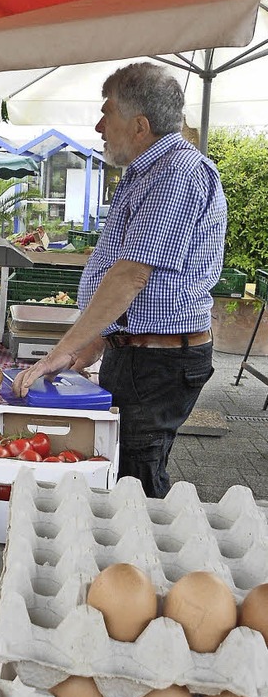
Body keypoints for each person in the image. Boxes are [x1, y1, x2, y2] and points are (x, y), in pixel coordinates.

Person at [13, 62, 227, 498]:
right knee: (118, 469)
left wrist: (61, 350)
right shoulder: (145, 172)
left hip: (158, 363)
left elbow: (131, 276)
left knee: (136, 479)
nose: (98, 125)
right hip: (137, 353)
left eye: (106, 112)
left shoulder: (176, 173)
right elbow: (140, 287)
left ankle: (140, 565)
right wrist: (95, 343)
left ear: (140, 125)